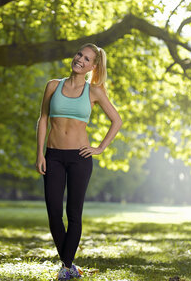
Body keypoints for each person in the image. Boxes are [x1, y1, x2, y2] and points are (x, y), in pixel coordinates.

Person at [35, 43, 122, 280]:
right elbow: (43, 119)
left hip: (79, 158)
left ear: (92, 66)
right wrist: (40, 153)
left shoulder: (93, 91)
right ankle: (69, 265)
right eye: (79, 55)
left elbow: (117, 120)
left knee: (73, 213)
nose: (80, 60)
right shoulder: (53, 85)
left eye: (87, 59)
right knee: (54, 211)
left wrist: (100, 148)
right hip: (53, 156)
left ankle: (65, 267)